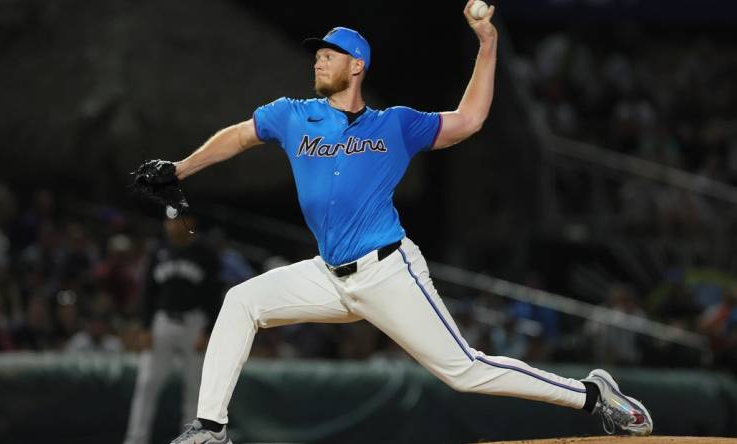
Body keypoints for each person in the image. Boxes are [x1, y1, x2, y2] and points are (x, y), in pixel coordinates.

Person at [159, 3, 652, 443]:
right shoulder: (292, 116)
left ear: (357, 66)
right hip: (327, 275)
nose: (318, 59)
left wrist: (488, 44)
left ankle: (592, 396)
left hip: (388, 272)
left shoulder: (394, 124)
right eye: (318, 54)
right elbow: (239, 137)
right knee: (242, 300)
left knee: (464, 371)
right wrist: (179, 168)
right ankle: (211, 429)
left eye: (329, 54)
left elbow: (471, 118)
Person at [123, 215, 223, 444]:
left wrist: (208, 331)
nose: (170, 225)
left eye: (176, 220)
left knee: (195, 389)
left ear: (190, 221)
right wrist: (145, 326)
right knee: (147, 382)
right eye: (168, 220)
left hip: (194, 323)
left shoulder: (206, 255)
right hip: (162, 323)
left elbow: (214, 295)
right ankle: (135, 439)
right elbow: (147, 292)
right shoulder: (157, 252)